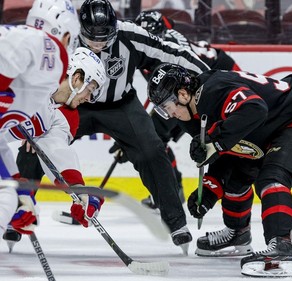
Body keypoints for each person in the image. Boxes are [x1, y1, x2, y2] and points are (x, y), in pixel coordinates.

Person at [147, 63, 292, 277]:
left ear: (182, 94)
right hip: (270, 130)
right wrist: (209, 191)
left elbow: (255, 109)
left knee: (272, 178)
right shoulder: (190, 114)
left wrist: (215, 142)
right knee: (237, 178)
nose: (169, 113)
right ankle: (238, 233)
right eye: (162, 109)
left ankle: (282, 249)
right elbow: (230, 153)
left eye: (167, 105)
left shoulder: (213, 90)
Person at [72, 0, 210, 254]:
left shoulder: (129, 34)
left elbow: (173, 53)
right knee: (37, 142)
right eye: (93, 38)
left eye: (106, 37)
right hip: (75, 103)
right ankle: (19, 210)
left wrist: (210, 78)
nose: (100, 44)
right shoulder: (66, 36)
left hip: (122, 106)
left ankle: (175, 223)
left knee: (153, 151)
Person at [130, 10, 242, 209]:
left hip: (219, 81)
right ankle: (173, 190)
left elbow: (183, 89)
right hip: (192, 89)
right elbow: (162, 95)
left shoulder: (171, 47)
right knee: (154, 136)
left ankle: (240, 183)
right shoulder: (145, 48)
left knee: (229, 135)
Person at [2, 46, 106, 249]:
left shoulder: (63, 116)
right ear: (77, 78)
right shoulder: (33, 75)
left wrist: (79, 191)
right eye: (90, 89)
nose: (88, 98)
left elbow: (56, 150)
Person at [0, 0, 80, 242]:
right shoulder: (50, 49)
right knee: (5, 196)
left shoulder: (38, 96)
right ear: (65, 34)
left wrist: (19, 187)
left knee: (9, 194)